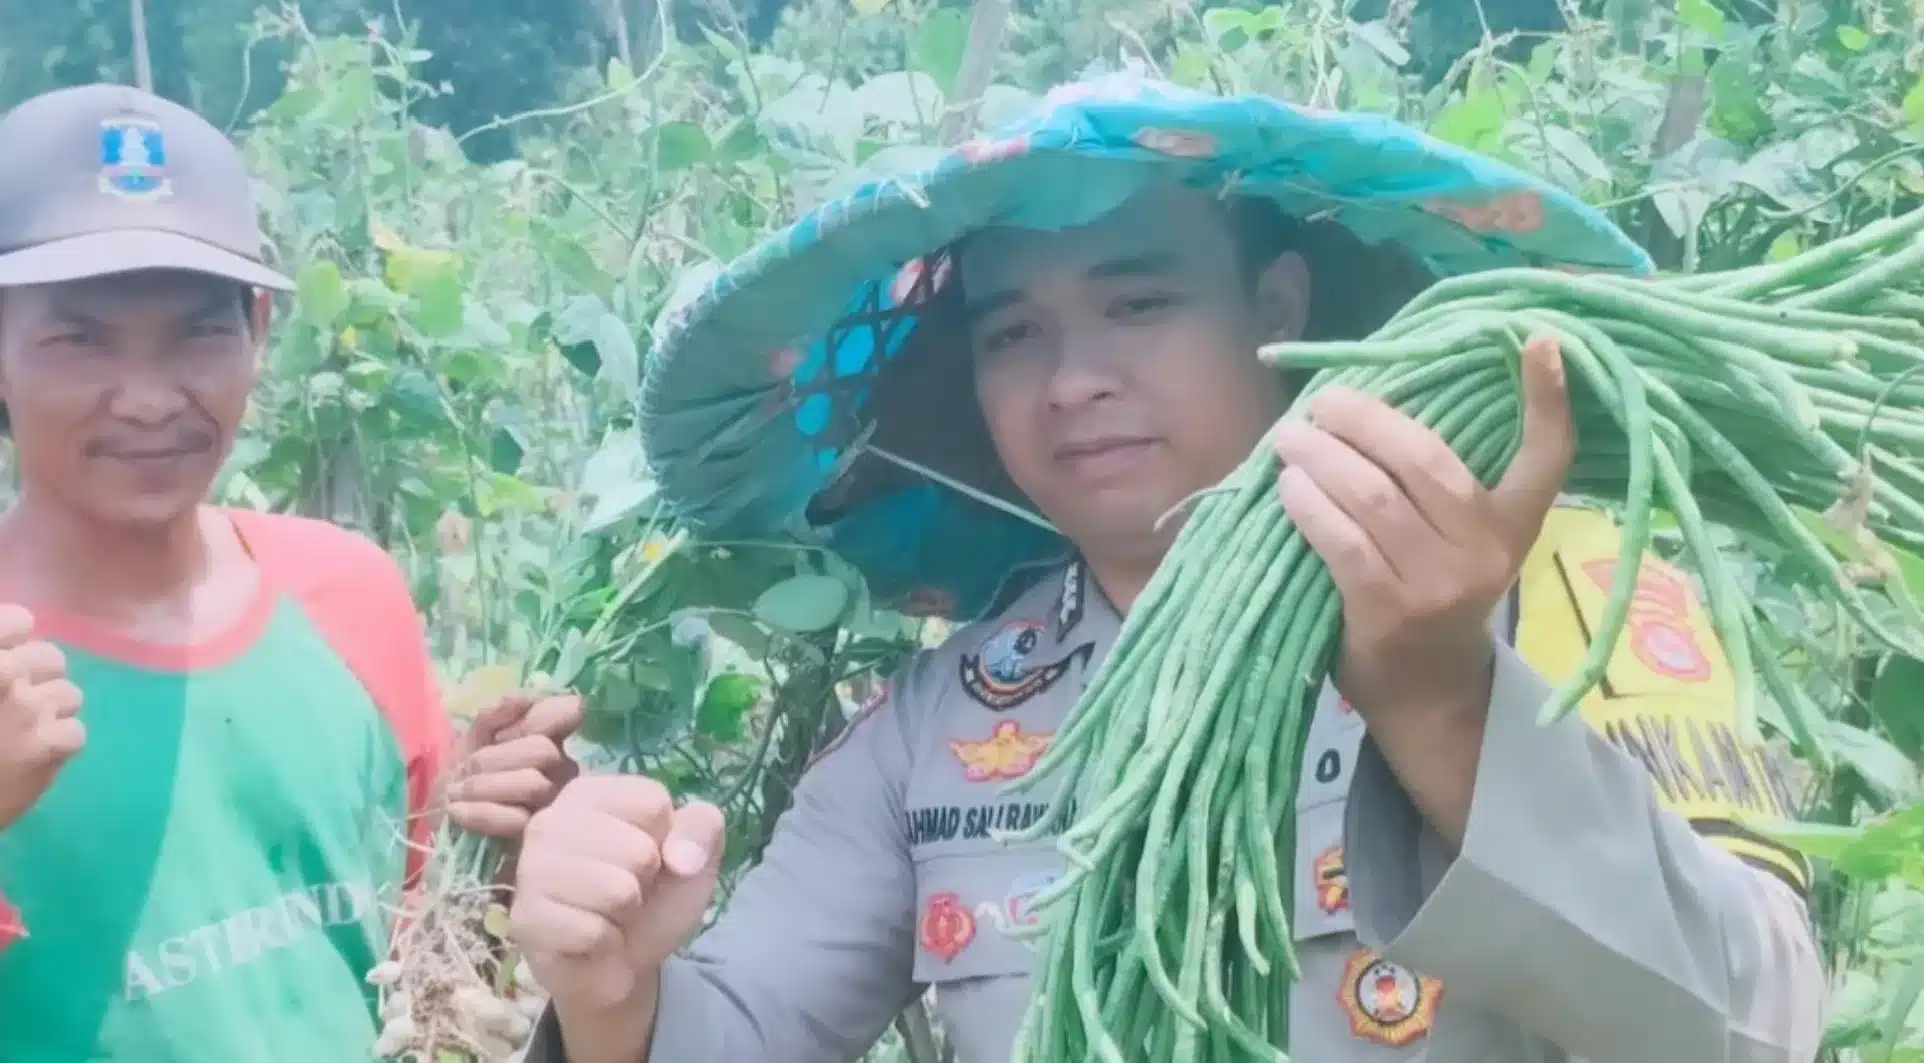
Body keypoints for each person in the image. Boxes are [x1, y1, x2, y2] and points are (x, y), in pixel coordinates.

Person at [508, 77, 1824, 1063]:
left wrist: (1442, 703)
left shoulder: (1545, 587)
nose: (1074, 379)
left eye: (1140, 304)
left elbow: (1757, 1019)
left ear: (1278, 309)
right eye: (1013, 329)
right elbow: (744, 1023)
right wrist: (615, 991)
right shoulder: (946, 721)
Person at [0, 84, 583, 1062]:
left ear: (259, 330)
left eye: (197, 331)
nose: (148, 398)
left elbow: (428, 974)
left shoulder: (346, 594)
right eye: (80, 338)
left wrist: (500, 857)